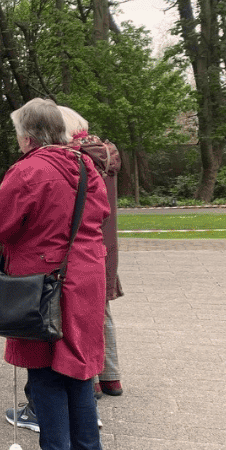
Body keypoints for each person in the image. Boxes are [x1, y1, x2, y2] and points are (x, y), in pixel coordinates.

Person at [0, 98, 109, 450]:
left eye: (18, 131)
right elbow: (100, 211)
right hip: (86, 275)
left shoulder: (30, 169)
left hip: (43, 281)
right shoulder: (85, 164)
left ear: (28, 135)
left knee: (46, 369)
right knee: (80, 367)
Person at [61, 107, 124, 397]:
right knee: (102, 309)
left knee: (82, 313)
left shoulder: (74, 159)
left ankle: (92, 379)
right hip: (105, 243)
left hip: (83, 242)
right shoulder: (105, 152)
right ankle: (111, 376)